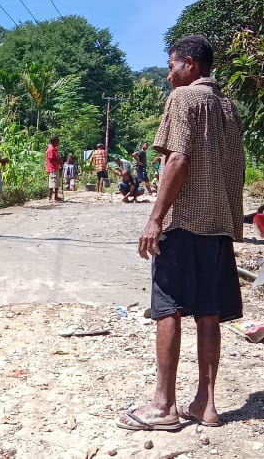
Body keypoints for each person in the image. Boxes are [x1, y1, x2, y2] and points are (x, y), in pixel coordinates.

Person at [118, 35, 244, 432]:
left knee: (167, 306)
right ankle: (206, 404)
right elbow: (234, 169)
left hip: (184, 220)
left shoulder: (184, 99)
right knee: (208, 311)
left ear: (189, 64)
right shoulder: (229, 108)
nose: (169, 73)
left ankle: (163, 406)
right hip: (218, 224)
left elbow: (178, 159)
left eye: (172, 65)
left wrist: (155, 218)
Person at [46, 136, 62, 202]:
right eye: (58, 141)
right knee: (52, 183)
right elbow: (51, 159)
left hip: (55, 167)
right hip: (52, 168)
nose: (58, 142)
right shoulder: (51, 149)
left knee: (56, 183)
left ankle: (56, 196)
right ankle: (50, 197)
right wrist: (58, 161)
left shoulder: (54, 148)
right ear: (54, 142)